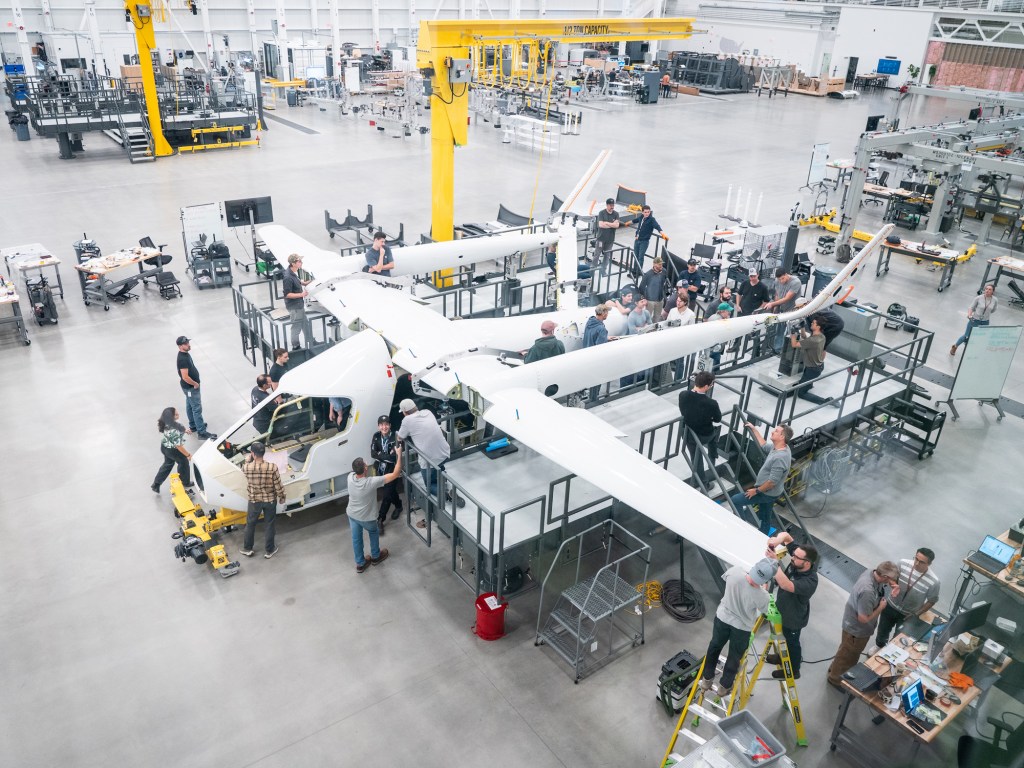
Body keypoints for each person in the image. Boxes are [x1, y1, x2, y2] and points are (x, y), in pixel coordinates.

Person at [698, 558, 778, 697]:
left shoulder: (735, 572)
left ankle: (706, 679)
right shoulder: (763, 596)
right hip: (741, 628)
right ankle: (724, 687)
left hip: (722, 618)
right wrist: (763, 589)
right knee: (734, 656)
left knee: (714, 646)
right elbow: (767, 612)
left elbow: (730, 581)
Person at [827, 561, 901, 688]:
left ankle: (834, 669)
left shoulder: (872, 572)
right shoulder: (867, 591)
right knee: (849, 656)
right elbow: (863, 618)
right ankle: (835, 680)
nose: (892, 582)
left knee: (845, 650)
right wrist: (881, 607)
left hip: (851, 624)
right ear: (884, 577)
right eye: (891, 579)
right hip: (856, 630)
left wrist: (891, 585)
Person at [396, 398, 462, 527]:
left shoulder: (407, 420)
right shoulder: (428, 412)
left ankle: (446, 495)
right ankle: (443, 478)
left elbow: (400, 437)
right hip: (444, 452)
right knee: (439, 467)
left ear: (405, 412)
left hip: (429, 461)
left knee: (429, 485)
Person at [765, 532, 819, 680]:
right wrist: (777, 541)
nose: (792, 558)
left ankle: (794, 670)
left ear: (807, 563)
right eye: (793, 555)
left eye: (796, 557)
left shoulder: (810, 581)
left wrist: (774, 562)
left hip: (793, 618)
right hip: (783, 609)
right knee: (783, 638)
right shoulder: (799, 559)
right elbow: (786, 536)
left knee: (792, 643)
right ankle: (782, 657)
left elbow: (785, 584)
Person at [730, 422, 793, 534]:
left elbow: (772, 482)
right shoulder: (779, 447)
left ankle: (741, 527)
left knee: (736, 500)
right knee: (765, 516)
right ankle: (763, 534)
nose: (772, 431)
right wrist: (754, 429)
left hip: (766, 492)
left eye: (776, 431)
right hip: (772, 492)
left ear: (782, 437)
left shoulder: (780, 457)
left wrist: (756, 491)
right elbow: (763, 445)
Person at [346, 448, 401, 573]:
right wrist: (399, 454)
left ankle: (360, 564)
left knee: (356, 539)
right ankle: (376, 556)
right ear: (366, 468)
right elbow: (395, 474)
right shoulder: (371, 482)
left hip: (352, 515)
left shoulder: (350, 477)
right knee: (373, 532)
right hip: (367, 518)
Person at [874, 547, 940, 648]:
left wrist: (916, 614)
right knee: (882, 631)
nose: (916, 563)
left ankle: (890, 651)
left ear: (929, 564)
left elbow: (931, 601)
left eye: (921, 562)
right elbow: (891, 578)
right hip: (890, 606)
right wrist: (894, 585)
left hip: (908, 615)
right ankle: (879, 646)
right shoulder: (902, 564)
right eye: (916, 559)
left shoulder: (934, 581)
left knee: (899, 639)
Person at [238, 441, 286, 559]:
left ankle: (247, 548)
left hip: (254, 501)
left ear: (252, 453)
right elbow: (278, 485)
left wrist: (248, 460)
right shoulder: (272, 467)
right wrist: (282, 497)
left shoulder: (246, 467)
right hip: (270, 500)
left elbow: (244, 469)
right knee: (269, 524)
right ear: (264, 453)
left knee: (250, 524)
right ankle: (269, 550)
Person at [678, 371, 722, 485]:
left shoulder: (683, 395)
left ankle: (704, 483)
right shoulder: (712, 403)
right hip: (704, 435)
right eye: (711, 384)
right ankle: (713, 455)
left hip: (688, 433)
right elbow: (718, 419)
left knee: (696, 458)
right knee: (715, 433)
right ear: (706, 386)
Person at [176, 336, 216, 440]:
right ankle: (201, 432)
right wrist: (195, 384)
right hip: (191, 387)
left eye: (188, 342)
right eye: (185, 344)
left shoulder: (185, 354)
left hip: (188, 388)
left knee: (190, 405)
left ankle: (194, 425)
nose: (188, 345)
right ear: (180, 346)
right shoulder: (182, 359)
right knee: (196, 408)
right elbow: (185, 377)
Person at [789, 317, 833, 405]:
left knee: (801, 393)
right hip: (818, 366)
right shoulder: (821, 336)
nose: (811, 324)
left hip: (812, 370)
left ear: (818, 327)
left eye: (813, 323)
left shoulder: (813, 340)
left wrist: (793, 333)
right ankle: (808, 384)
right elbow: (805, 338)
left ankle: (825, 401)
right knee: (805, 380)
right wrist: (802, 327)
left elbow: (794, 344)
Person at [370, 415, 403, 530]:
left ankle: (380, 519)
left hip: (392, 470)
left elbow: (394, 458)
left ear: (390, 425)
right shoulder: (376, 436)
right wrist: (386, 455)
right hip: (380, 469)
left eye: (386, 425)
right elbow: (373, 454)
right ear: (378, 426)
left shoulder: (396, 437)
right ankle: (399, 505)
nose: (384, 427)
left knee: (387, 494)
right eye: (381, 425)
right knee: (390, 491)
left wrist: (380, 455)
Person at [152, 406, 192, 493]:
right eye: (176, 414)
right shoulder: (174, 430)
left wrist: (185, 430)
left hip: (165, 447)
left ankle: (156, 484)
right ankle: (185, 482)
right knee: (184, 463)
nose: (178, 414)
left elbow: (177, 426)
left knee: (167, 464)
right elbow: (179, 446)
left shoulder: (167, 422)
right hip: (173, 450)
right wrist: (188, 455)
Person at [951, 284, 998, 355]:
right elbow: (971, 307)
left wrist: (986, 314)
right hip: (975, 320)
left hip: (985, 322)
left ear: (993, 291)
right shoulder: (978, 298)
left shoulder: (995, 300)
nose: (987, 290)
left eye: (989, 289)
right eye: (986, 289)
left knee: (979, 338)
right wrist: (969, 315)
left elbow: (994, 309)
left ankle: (971, 351)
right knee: (966, 336)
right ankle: (955, 346)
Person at [624, 204, 665, 276]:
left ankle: (638, 272)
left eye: (648, 212)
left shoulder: (652, 219)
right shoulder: (641, 217)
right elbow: (635, 220)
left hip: (644, 241)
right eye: (645, 212)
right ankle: (634, 271)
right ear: (642, 212)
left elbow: (657, 226)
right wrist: (627, 223)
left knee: (640, 257)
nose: (647, 214)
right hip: (637, 240)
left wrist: (662, 234)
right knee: (636, 256)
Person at [765, 268, 799, 353]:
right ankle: (778, 349)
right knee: (779, 329)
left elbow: (787, 298)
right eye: (779, 279)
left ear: (786, 274)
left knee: (790, 332)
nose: (781, 281)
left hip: (793, 311)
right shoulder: (777, 281)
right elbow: (777, 294)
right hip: (782, 309)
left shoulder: (795, 282)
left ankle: (788, 352)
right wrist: (776, 307)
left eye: (782, 278)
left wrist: (772, 304)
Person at [583, 304, 612, 402]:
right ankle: (593, 401)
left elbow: (593, 336)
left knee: (590, 380)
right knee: (596, 382)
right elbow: (600, 348)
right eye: (607, 312)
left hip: (586, 355)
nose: (608, 314)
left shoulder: (590, 322)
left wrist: (605, 337)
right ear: (603, 313)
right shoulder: (601, 329)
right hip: (596, 360)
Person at [283, 253, 310, 351]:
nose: (301, 262)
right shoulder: (288, 277)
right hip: (294, 307)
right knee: (296, 326)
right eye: (299, 261)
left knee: (305, 324)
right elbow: (287, 294)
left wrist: (304, 283)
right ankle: (296, 347)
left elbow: (296, 282)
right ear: (293, 263)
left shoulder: (293, 272)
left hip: (299, 305)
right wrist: (301, 294)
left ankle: (311, 341)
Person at [666, 294, 696, 381]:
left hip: (682, 341)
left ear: (685, 302)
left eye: (680, 301)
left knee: (680, 362)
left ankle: (677, 381)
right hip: (671, 339)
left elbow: (691, 330)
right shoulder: (672, 311)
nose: (678, 303)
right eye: (677, 301)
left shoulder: (691, 314)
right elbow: (667, 324)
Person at [592, 198, 620, 276]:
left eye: (613, 205)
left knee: (607, 256)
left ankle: (603, 270)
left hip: (610, 240)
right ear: (607, 205)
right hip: (601, 239)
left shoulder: (616, 214)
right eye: (610, 205)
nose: (612, 207)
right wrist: (612, 224)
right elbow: (601, 225)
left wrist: (607, 223)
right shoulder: (601, 213)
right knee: (597, 254)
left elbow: (617, 225)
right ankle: (592, 270)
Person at [638, 256, 670, 320]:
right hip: (650, 301)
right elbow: (641, 287)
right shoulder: (648, 274)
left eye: (661, 264)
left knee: (657, 318)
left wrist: (664, 294)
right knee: (647, 318)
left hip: (660, 300)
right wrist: (645, 298)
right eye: (659, 264)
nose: (661, 266)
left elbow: (665, 283)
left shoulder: (664, 271)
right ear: (654, 264)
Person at [705, 302, 733, 371]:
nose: (729, 313)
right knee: (714, 366)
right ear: (723, 311)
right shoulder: (719, 320)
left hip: (711, 346)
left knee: (711, 364)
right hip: (714, 347)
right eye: (728, 311)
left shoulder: (714, 316)